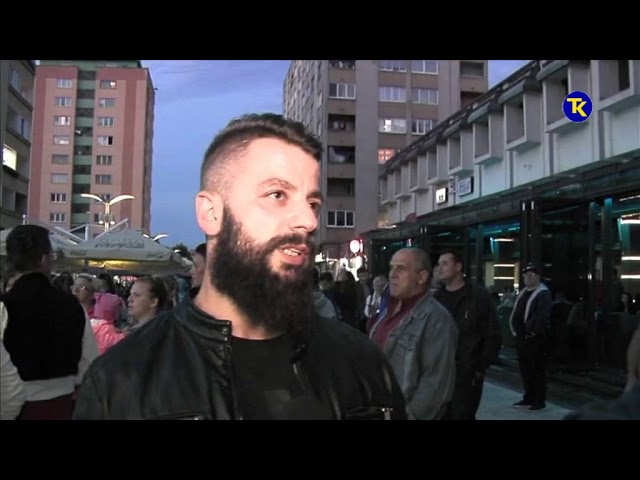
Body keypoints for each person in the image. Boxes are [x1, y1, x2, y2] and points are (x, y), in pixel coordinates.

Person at [73, 113, 406, 420]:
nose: (308, 220)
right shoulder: (121, 380)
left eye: (313, 203)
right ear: (211, 213)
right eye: (277, 195)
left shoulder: (362, 362)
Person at [1, 225, 96, 420]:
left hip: (10, 405)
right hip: (60, 405)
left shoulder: (4, 306)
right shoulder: (72, 306)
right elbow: (89, 363)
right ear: (44, 259)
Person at [369, 247, 458, 420]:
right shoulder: (388, 311)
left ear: (421, 277)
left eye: (401, 269)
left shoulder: (437, 319)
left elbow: (436, 385)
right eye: (391, 268)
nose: (393, 274)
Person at [434, 249, 502, 420]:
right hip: (440, 371)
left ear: (458, 267)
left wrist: (479, 367)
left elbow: (492, 333)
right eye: (439, 264)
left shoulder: (477, 297)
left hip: (466, 371)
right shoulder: (436, 299)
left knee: (462, 414)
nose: (440, 268)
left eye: (445, 263)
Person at [508, 262, 552, 412]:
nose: (528, 277)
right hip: (521, 338)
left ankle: (539, 400)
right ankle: (529, 396)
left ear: (538, 277)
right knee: (525, 369)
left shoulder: (542, 293)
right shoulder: (523, 292)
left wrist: (533, 333)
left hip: (534, 339)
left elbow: (542, 316)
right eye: (525, 275)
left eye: (531, 275)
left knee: (536, 369)